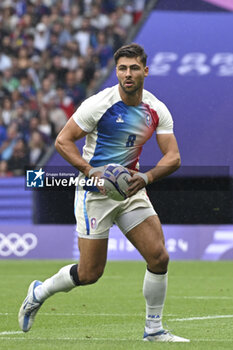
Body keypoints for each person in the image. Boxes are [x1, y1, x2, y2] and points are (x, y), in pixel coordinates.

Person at [18, 43, 189, 342]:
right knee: (89, 274)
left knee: (159, 257)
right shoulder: (99, 104)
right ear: (116, 72)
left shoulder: (156, 109)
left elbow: (173, 157)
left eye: (134, 68)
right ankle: (39, 291)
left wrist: (146, 177)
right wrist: (89, 171)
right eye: (122, 68)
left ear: (145, 71)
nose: (128, 74)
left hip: (130, 189)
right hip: (95, 194)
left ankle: (153, 329)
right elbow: (63, 141)